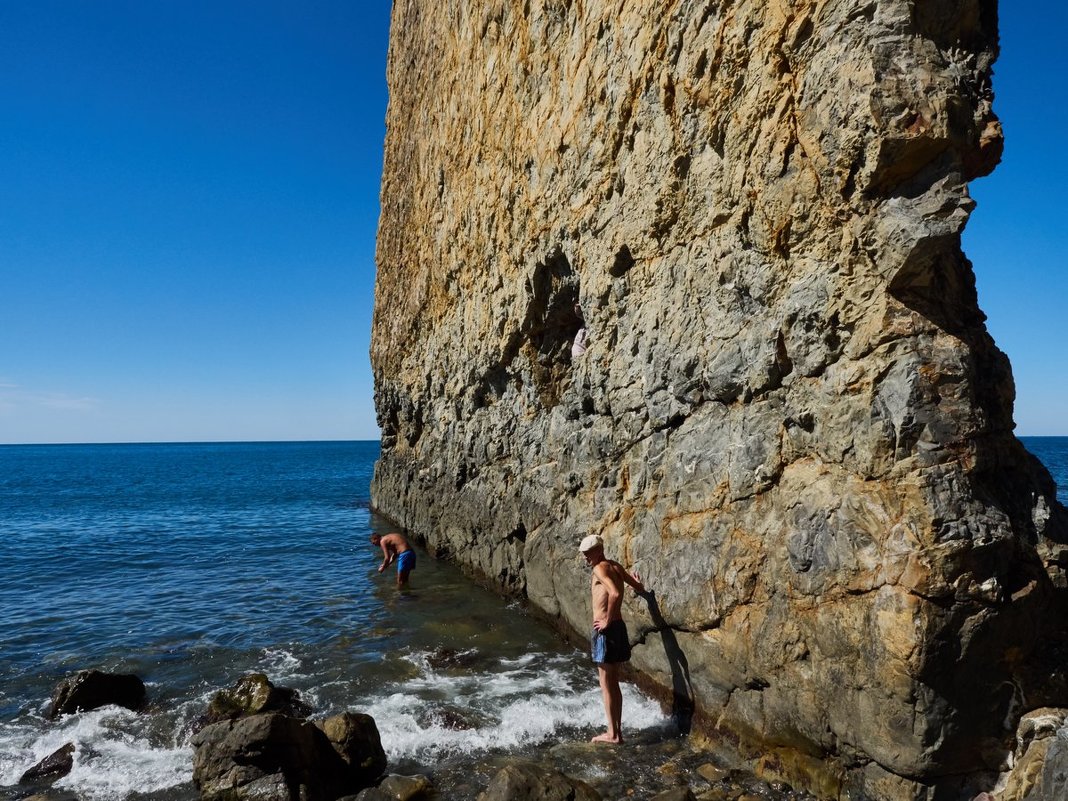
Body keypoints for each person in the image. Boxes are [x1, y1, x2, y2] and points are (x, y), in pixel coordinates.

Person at [580, 533, 645, 743]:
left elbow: (616, 593)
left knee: (606, 683)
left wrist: (606, 620)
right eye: (584, 554)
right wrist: (637, 583)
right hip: (618, 628)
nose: (585, 557)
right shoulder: (615, 566)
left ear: (598, 550)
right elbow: (636, 586)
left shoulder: (599, 569)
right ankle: (617, 732)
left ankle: (613, 734)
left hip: (606, 631)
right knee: (613, 682)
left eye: (588, 553)